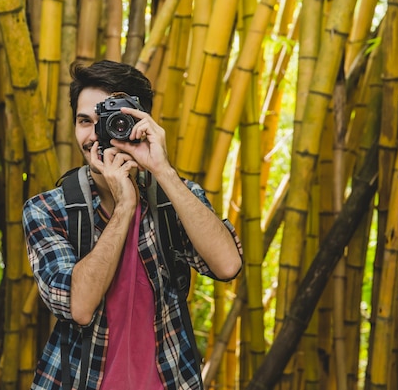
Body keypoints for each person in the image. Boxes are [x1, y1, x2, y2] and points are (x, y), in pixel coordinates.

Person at [23, 60, 243, 390]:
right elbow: (78, 307)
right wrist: (125, 204)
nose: (97, 135)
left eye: (112, 122)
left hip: (170, 380)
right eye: (85, 122)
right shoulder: (47, 210)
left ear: (140, 123)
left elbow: (227, 265)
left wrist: (163, 171)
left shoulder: (175, 198)